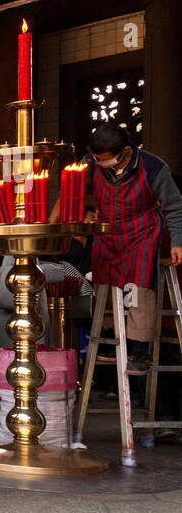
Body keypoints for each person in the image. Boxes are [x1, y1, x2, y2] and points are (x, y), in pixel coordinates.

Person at [82, 123, 182, 365]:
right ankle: (108, 334)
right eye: (95, 157)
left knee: (138, 286)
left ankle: (138, 346)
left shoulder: (153, 167)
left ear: (124, 151)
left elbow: (174, 206)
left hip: (141, 232)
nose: (98, 162)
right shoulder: (91, 163)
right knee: (103, 283)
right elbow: (72, 189)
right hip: (107, 231)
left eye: (102, 158)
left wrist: (177, 242)